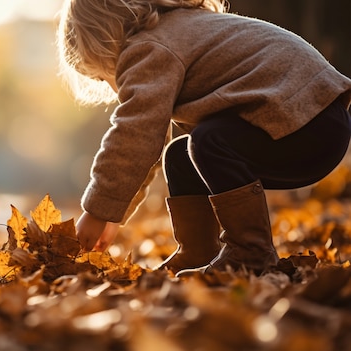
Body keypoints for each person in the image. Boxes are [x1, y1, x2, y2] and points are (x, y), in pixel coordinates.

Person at [57, 0, 351, 275]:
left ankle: (251, 253)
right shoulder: (183, 30)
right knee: (180, 156)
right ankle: (199, 251)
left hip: (309, 128)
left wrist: (96, 212)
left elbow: (133, 134)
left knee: (208, 141)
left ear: (102, 40)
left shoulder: (148, 47)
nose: (111, 86)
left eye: (100, 75)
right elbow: (147, 146)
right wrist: (113, 214)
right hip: (318, 123)